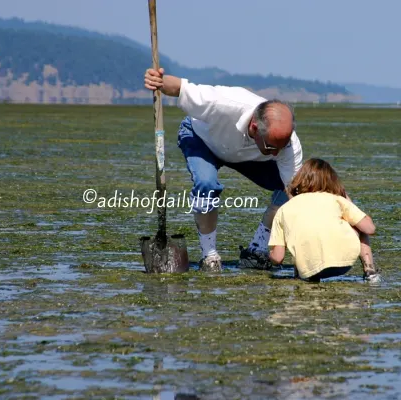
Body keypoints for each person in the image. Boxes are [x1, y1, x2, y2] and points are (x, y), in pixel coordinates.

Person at [144, 68, 303, 272]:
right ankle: (209, 256)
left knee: (293, 189)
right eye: (272, 147)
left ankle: (257, 248)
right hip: (202, 139)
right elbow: (181, 88)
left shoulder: (286, 145)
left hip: (245, 156)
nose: (276, 154)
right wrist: (158, 80)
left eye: (281, 148)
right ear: (255, 127)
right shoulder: (223, 103)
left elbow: (297, 197)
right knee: (206, 184)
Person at [268, 158, 380, 282]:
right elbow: (370, 228)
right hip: (344, 263)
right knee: (359, 224)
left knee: (300, 237)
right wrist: (348, 200)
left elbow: (278, 258)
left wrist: (269, 257)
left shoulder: (284, 209)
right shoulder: (337, 199)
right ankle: (370, 272)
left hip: (308, 269)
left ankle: (302, 275)